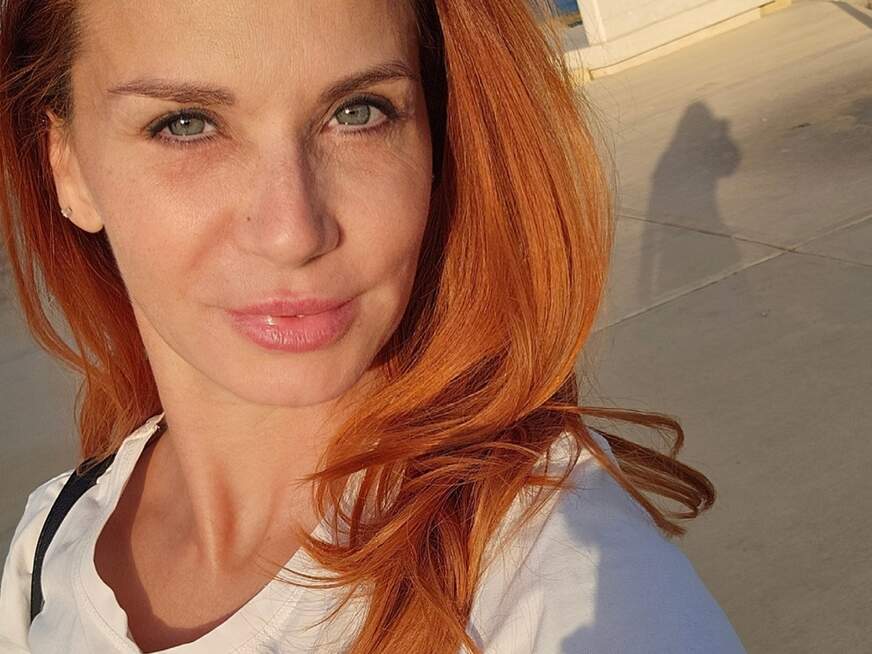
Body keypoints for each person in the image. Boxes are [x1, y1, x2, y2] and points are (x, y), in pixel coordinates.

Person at [0, 1, 747, 652]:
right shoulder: (52, 541)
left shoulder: (571, 586)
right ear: (67, 166)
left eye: (358, 112)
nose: (293, 231)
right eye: (185, 124)